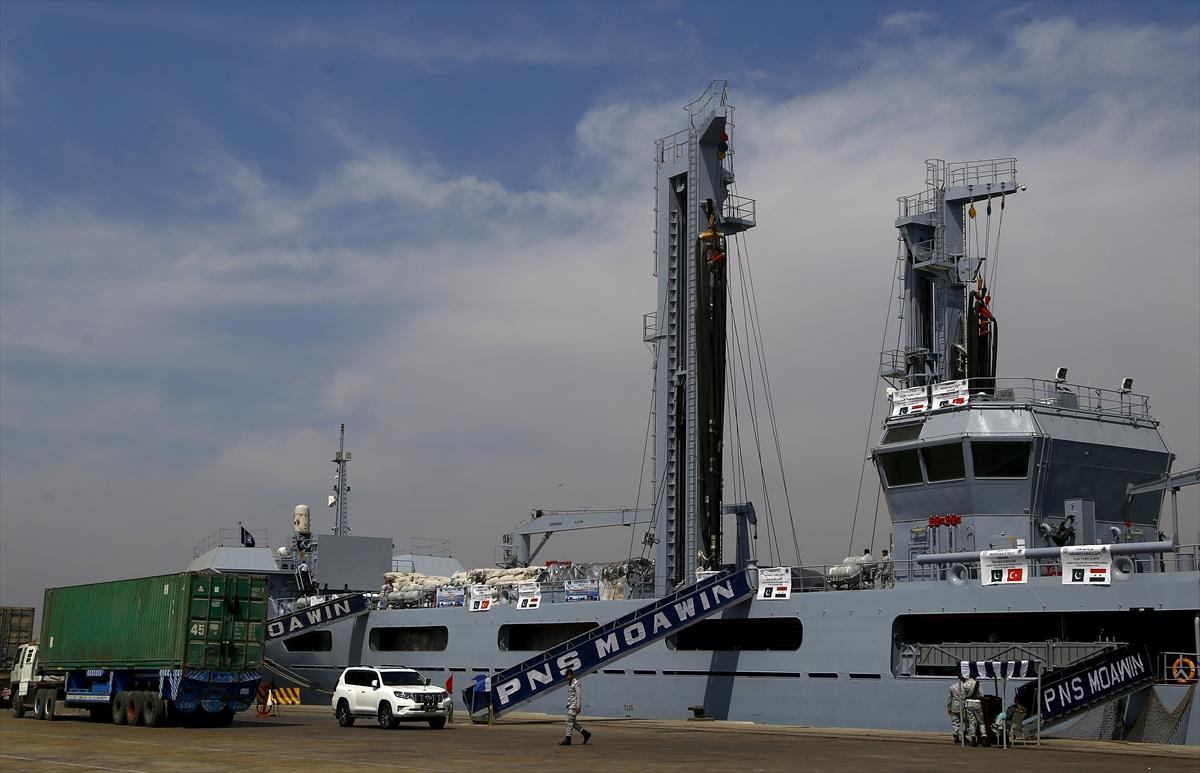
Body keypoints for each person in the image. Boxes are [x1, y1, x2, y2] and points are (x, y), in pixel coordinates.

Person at [558, 669, 591, 745]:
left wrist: (578, 706)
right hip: (571, 705)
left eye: (570, 675)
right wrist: (568, 703)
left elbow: (578, 695)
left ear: (573, 675)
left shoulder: (576, 683)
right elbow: (571, 696)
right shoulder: (570, 683)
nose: (568, 676)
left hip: (574, 706)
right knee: (573, 723)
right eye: (567, 675)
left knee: (569, 722)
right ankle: (586, 734)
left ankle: (568, 739)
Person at [962, 674, 985, 746]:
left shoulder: (965, 684)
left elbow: (963, 695)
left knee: (971, 721)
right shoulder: (978, 683)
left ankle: (973, 739)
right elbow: (981, 695)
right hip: (977, 703)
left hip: (968, 702)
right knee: (981, 721)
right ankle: (984, 737)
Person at [947, 676, 965, 743]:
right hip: (963, 705)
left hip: (954, 705)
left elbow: (949, 699)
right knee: (967, 722)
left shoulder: (952, 687)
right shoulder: (965, 687)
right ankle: (963, 735)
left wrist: (949, 707)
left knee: (955, 722)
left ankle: (956, 735)